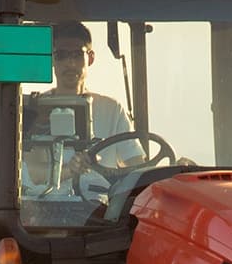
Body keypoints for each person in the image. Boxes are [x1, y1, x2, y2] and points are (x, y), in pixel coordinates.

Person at [21, 21, 146, 201]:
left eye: (77, 55)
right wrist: (70, 171)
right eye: (61, 55)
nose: (70, 63)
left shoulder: (111, 109)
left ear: (91, 58)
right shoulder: (35, 108)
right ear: (52, 59)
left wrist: (174, 172)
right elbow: (34, 173)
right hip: (44, 213)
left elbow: (136, 165)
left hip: (98, 215)